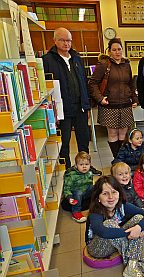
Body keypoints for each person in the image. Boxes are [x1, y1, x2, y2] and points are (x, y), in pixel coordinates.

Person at [43, 27, 101, 175]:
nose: (66, 43)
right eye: (62, 40)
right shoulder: (47, 60)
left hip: (80, 107)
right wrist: (52, 112)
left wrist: (87, 106)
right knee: (64, 141)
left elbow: (84, 82)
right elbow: (45, 86)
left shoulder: (76, 58)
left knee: (83, 139)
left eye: (68, 40)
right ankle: (68, 169)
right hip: (62, 109)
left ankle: (86, 166)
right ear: (55, 41)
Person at [85, 176, 144, 277]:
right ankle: (137, 260)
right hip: (96, 248)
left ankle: (132, 266)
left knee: (139, 219)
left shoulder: (122, 205)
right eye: (105, 193)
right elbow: (103, 232)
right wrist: (131, 232)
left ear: (119, 193)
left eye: (114, 192)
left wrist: (139, 228)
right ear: (98, 197)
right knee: (109, 224)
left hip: (114, 239)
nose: (111, 197)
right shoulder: (95, 212)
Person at [88, 38, 138, 159]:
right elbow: (92, 83)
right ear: (109, 51)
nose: (117, 52)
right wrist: (100, 99)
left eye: (119, 49)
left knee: (123, 134)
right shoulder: (104, 64)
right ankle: (117, 160)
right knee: (113, 133)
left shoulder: (126, 64)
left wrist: (135, 99)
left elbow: (130, 83)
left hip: (125, 104)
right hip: (109, 105)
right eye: (114, 50)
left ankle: (123, 159)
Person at [62, 151, 93, 222]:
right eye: (81, 164)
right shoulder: (71, 175)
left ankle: (98, 202)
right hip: (75, 194)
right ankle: (76, 212)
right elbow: (66, 188)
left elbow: (90, 183)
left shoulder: (90, 173)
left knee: (95, 187)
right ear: (76, 165)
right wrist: (69, 197)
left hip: (85, 192)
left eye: (87, 164)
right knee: (78, 192)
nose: (84, 166)